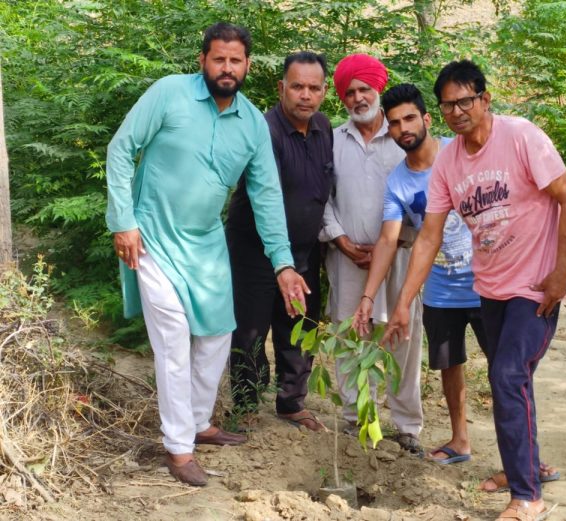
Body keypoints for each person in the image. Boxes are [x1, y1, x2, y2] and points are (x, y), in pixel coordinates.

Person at [105, 23, 309, 487]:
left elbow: (266, 195)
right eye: (219, 59)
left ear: (247, 66)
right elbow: (121, 150)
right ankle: (179, 448)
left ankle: (199, 422)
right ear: (203, 60)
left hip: (206, 243)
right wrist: (123, 221)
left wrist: (282, 262)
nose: (227, 68)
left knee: (218, 334)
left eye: (235, 61)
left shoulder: (253, 123)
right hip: (152, 238)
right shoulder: (169, 94)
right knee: (174, 339)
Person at [384, 60, 566, 521]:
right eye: (448, 104)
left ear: (485, 99)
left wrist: (560, 273)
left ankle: (527, 496)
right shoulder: (449, 162)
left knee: (508, 375)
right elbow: (429, 237)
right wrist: (402, 303)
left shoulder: (521, 137)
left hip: (534, 288)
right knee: (511, 379)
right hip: (489, 289)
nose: (456, 111)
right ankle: (523, 469)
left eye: (465, 101)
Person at [352, 83, 486, 465]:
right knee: (449, 364)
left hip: (488, 279)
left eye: (409, 118)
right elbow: (387, 241)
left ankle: (528, 452)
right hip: (442, 287)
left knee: (507, 368)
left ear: (427, 119)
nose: (403, 128)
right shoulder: (397, 183)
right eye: (394, 123)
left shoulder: (460, 152)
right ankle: (460, 440)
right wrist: (368, 297)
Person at [319, 54, 424, 455]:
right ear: (342, 98)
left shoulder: (403, 139)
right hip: (346, 258)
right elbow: (320, 196)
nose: (358, 98)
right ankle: (358, 420)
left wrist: (396, 241)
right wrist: (339, 237)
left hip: (401, 256)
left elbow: (426, 195)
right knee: (352, 337)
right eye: (350, 92)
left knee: (402, 337)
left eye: (365, 89)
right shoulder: (331, 139)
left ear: (378, 89)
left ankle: (407, 426)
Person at [226, 51, 333, 431]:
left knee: (299, 327)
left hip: (304, 252)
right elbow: (262, 197)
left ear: (324, 91)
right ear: (281, 88)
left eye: (314, 88)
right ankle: (247, 403)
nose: (305, 95)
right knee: (251, 328)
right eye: (297, 86)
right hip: (254, 248)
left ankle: (291, 402)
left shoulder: (324, 128)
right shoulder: (262, 130)